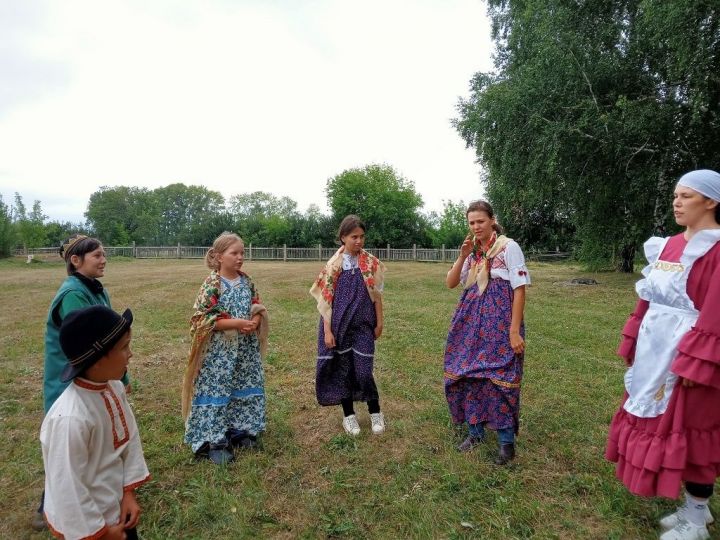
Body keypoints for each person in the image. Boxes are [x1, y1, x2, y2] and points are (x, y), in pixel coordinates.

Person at [606, 169, 720, 540]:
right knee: (661, 422)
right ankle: (693, 511)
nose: (677, 201)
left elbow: (715, 311)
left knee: (691, 430)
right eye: (675, 195)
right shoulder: (666, 245)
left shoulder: (717, 249)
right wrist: (633, 336)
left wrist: (696, 360)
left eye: (686, 196)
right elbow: (649, 295)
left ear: (711, 201)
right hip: (655, 348)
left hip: (689, 351)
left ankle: (696, 516)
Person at [33, 235, 131, 531]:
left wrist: (121, 377)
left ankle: (104, 490)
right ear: (76, 261)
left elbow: (112, 338)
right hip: (73, 383)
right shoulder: (73, 295)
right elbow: (91, 348)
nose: (104, 260)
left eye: (104, 255)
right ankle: (51, 508)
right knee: (72, 449)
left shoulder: (94, 289)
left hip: (98, 376)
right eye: (97, 256)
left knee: (91, 444)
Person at [41, 305, 150, 540]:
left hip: (118, 511)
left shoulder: (114, 387)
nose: (130, 354)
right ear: (97, 360)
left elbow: (129, 438)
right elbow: (66, 484)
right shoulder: (71, 418)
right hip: (90, 527)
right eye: (124, 348)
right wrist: (99, 533)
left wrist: (128, 492)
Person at [444, 200, 530, 465]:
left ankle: (506, 443)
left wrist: (514, 331)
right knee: (468, 374)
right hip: (470, 324)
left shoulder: (508, 248)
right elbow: (450, 283)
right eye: (471, 222)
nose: (476, 226)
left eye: (480, 221)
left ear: (492, 220)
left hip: (499, 324)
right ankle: (475, 432)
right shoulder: (474, 254)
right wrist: (462, 256)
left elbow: (520, 289)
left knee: (499, 377)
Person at [182, 232, 269, 465]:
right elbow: (202, 320)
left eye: (242, 253)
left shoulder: (246, 281)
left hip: (244, 349)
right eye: (234, 253)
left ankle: (239, 429)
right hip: (219, 352)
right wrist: (236, 323)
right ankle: (213, 440)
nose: (240, 257)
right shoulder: (212, 284)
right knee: (217, 388)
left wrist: (255, 322)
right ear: (219, 256)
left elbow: (256, 306)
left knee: (243, 383)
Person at [310, 215, 386, 436]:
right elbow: (325, 301)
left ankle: (375, 412)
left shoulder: (371, 263)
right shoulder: (333, 266)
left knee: (363, 371)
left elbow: (377, 296)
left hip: (363, 326)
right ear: (343, 237)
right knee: (342, 371)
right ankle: (349, 416)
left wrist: (379, 322)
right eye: (354, 237)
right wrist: (327, 330)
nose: (359, 241)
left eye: (362, 237)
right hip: (338, 326)